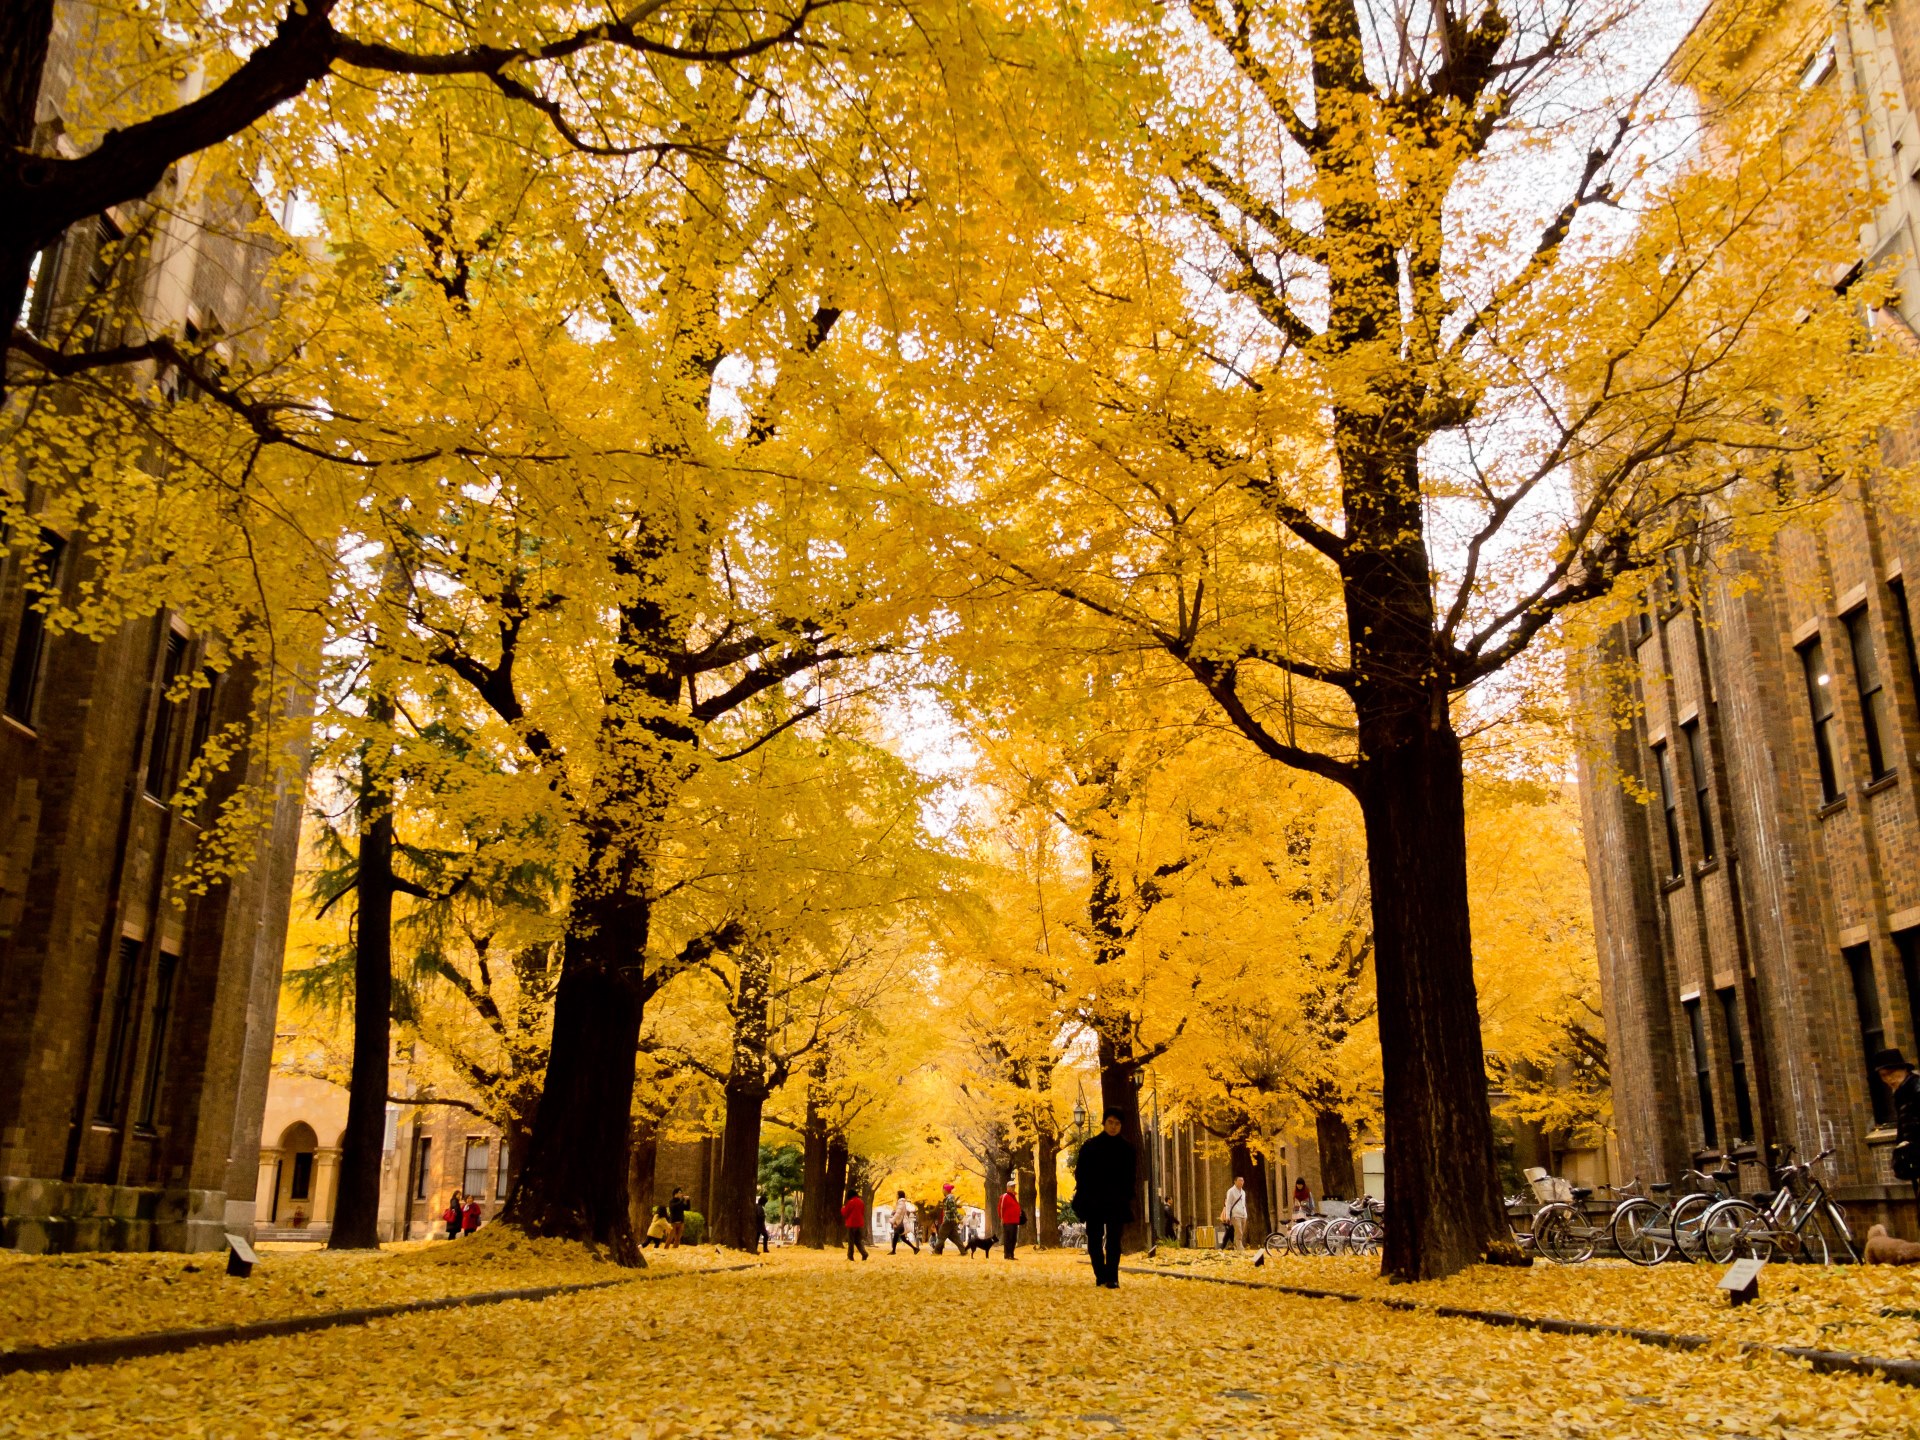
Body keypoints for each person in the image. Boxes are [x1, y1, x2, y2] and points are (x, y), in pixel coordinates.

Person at [1073, 1106, 1136, 1289]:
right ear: (1104, 1122)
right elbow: (1081, 1173)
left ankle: (1112, 1277)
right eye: (1110, 1122)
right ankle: (1100, 1274)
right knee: (1094, 1239)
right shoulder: (1090, 1146)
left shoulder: (1127, 1149)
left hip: (1117, 1201)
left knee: (1114, 1240)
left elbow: (1131, 1175)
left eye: (1117, 1123)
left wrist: (1126, 1195)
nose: (1113, 1126)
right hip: (1094, 1201)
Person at [1875, 1049, 1920, 1190]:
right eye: (1883, 1076)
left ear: (1904, 1069)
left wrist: (1911, 1144)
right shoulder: (1901, 1093)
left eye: (1891, 1073)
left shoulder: (1916, 1088)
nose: (1889, 1079)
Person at [1220, 1176, 1248, 1251]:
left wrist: (1245, 1214)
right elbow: (1228, 1204)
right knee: (1239, 1232)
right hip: (1235, 1215)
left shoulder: (1243, 1192)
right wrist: (1228, 1216)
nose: (1241, 1182)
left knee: (1240, 1232)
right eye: (1239, 1180)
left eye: (1242, 1180)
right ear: (1235, 1181)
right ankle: (1240, 1248)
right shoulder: (1231, 1191)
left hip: (1243, 1215)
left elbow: (1243, 1204)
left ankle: (1236, 1247)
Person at [841, 1188, 870, 1260]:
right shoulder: (861, 1202)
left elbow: (845, 1213)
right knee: (858, 1241)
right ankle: (864, 1253)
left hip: (851, 1224)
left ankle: (850, 1256)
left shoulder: (851, 1202)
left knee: (851, 1241)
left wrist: (842, 1208)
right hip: (859, 1224)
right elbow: (862, 1212)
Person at [999, 1180, 1023, 1259]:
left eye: (1014, 1186)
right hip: (1008, 1221)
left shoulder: (1014, 1196)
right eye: (1012, 1186)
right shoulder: (1004, 1196)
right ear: (1008, 1187)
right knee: (1008, 1238)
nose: (1013, 1188)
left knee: (1013, 1238)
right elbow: (1001, 1208)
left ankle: (1011, 1254)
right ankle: (1007, 1255)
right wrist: (1002, 1218)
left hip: (1015, 1221)